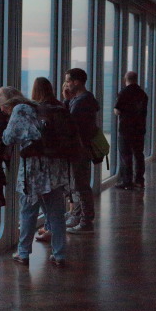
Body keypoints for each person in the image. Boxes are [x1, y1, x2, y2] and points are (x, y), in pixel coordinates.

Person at [0, 82, 71, 267]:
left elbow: (8, 137)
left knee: (28, 212)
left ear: (6, 104)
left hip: (34, 171)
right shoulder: (38, 107)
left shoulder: (20, 110)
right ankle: (59, 254)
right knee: (56, 213)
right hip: (55, 168)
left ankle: (23, 253)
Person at [61, 68, 100, 235]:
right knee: (77, 184)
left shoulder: (82, 101)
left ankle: (85, 220)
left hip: (79, 148)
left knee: (80, 184)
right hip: (81, 147)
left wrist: (66, 101)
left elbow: (69, 121)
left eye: (69, 81)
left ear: (76, 82)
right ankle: (78, 216)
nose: (67, 84)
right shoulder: (84, 99)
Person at [113, 71, 148, 190]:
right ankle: (139, 180)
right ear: (136, 79)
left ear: (125, 79)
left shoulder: (123, 92)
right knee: (139, 154)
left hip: (125, 128)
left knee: (126, 155)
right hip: (139, 128)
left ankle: (126, 181)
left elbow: (117, 110)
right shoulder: (142, 93)